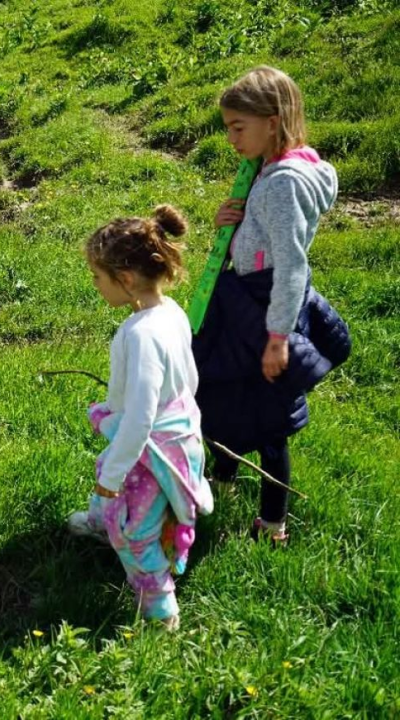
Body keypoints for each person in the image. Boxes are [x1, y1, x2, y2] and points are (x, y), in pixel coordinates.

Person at [194, 66, 349, 545]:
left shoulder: (284, 183)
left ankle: (273, 522)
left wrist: (278, 337)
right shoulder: (268, 168)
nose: (230, 139)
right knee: (222, 385)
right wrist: (231, 223)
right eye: (227, 128)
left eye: (238, 127)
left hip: (267, 308)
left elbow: (291, 264)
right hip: (246, 299)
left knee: (269, 418)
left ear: (273, 119)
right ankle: (223, 471)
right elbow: (262, 236)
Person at [68, 205, 214, 630]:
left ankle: (160, 607)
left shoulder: (141, 333)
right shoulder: (171, 312)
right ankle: (98, 520)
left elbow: (141, 420)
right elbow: (190, 378)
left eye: (98, 277)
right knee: (118, 488)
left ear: (126, 280)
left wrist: (113, 475)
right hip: (176, 430)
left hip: (151, 448)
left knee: (134, 529)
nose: (94, 285)